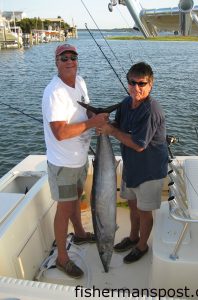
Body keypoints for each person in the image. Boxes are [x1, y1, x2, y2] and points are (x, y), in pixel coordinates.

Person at [42, 44, 108, 278]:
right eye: (64, 58)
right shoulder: (54, 92)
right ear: (56, 62)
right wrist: (92, 123)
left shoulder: (79, 81)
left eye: (73, 57)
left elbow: (86, 109)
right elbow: (59, 132)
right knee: (65, 207)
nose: (69, 61)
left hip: (80, 158)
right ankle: (62, 258)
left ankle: (79, 232)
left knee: (77, 197)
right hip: (63, 163)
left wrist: (96, 118)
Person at [98, 62, 168, 264]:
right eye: (132, 82)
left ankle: (142, 246)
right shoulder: (126, 104)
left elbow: (138, 145)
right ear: (127, 82)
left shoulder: (151, 110)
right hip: (131, 167)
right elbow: (118, 126)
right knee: (132, 205)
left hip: (149, 170)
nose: (136, 88)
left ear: (151, 84)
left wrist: (111, 131)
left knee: (145, 212)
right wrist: (103, 124)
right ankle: (133, 237)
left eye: (142, 83)